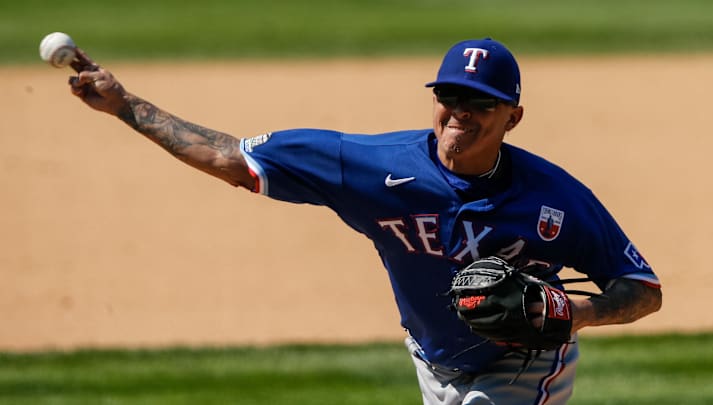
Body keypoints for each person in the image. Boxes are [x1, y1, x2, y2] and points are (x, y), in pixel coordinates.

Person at [67, 38, 662, 405]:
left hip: (524, 361)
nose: (460, 113)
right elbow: (232, 159)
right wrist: (125, 106)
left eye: (481, 102)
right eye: (450, 96)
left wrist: (576, 312)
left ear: (514, 116)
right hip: (432, 359)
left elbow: (643, 289)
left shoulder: (554, 197)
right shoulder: (373, 166)